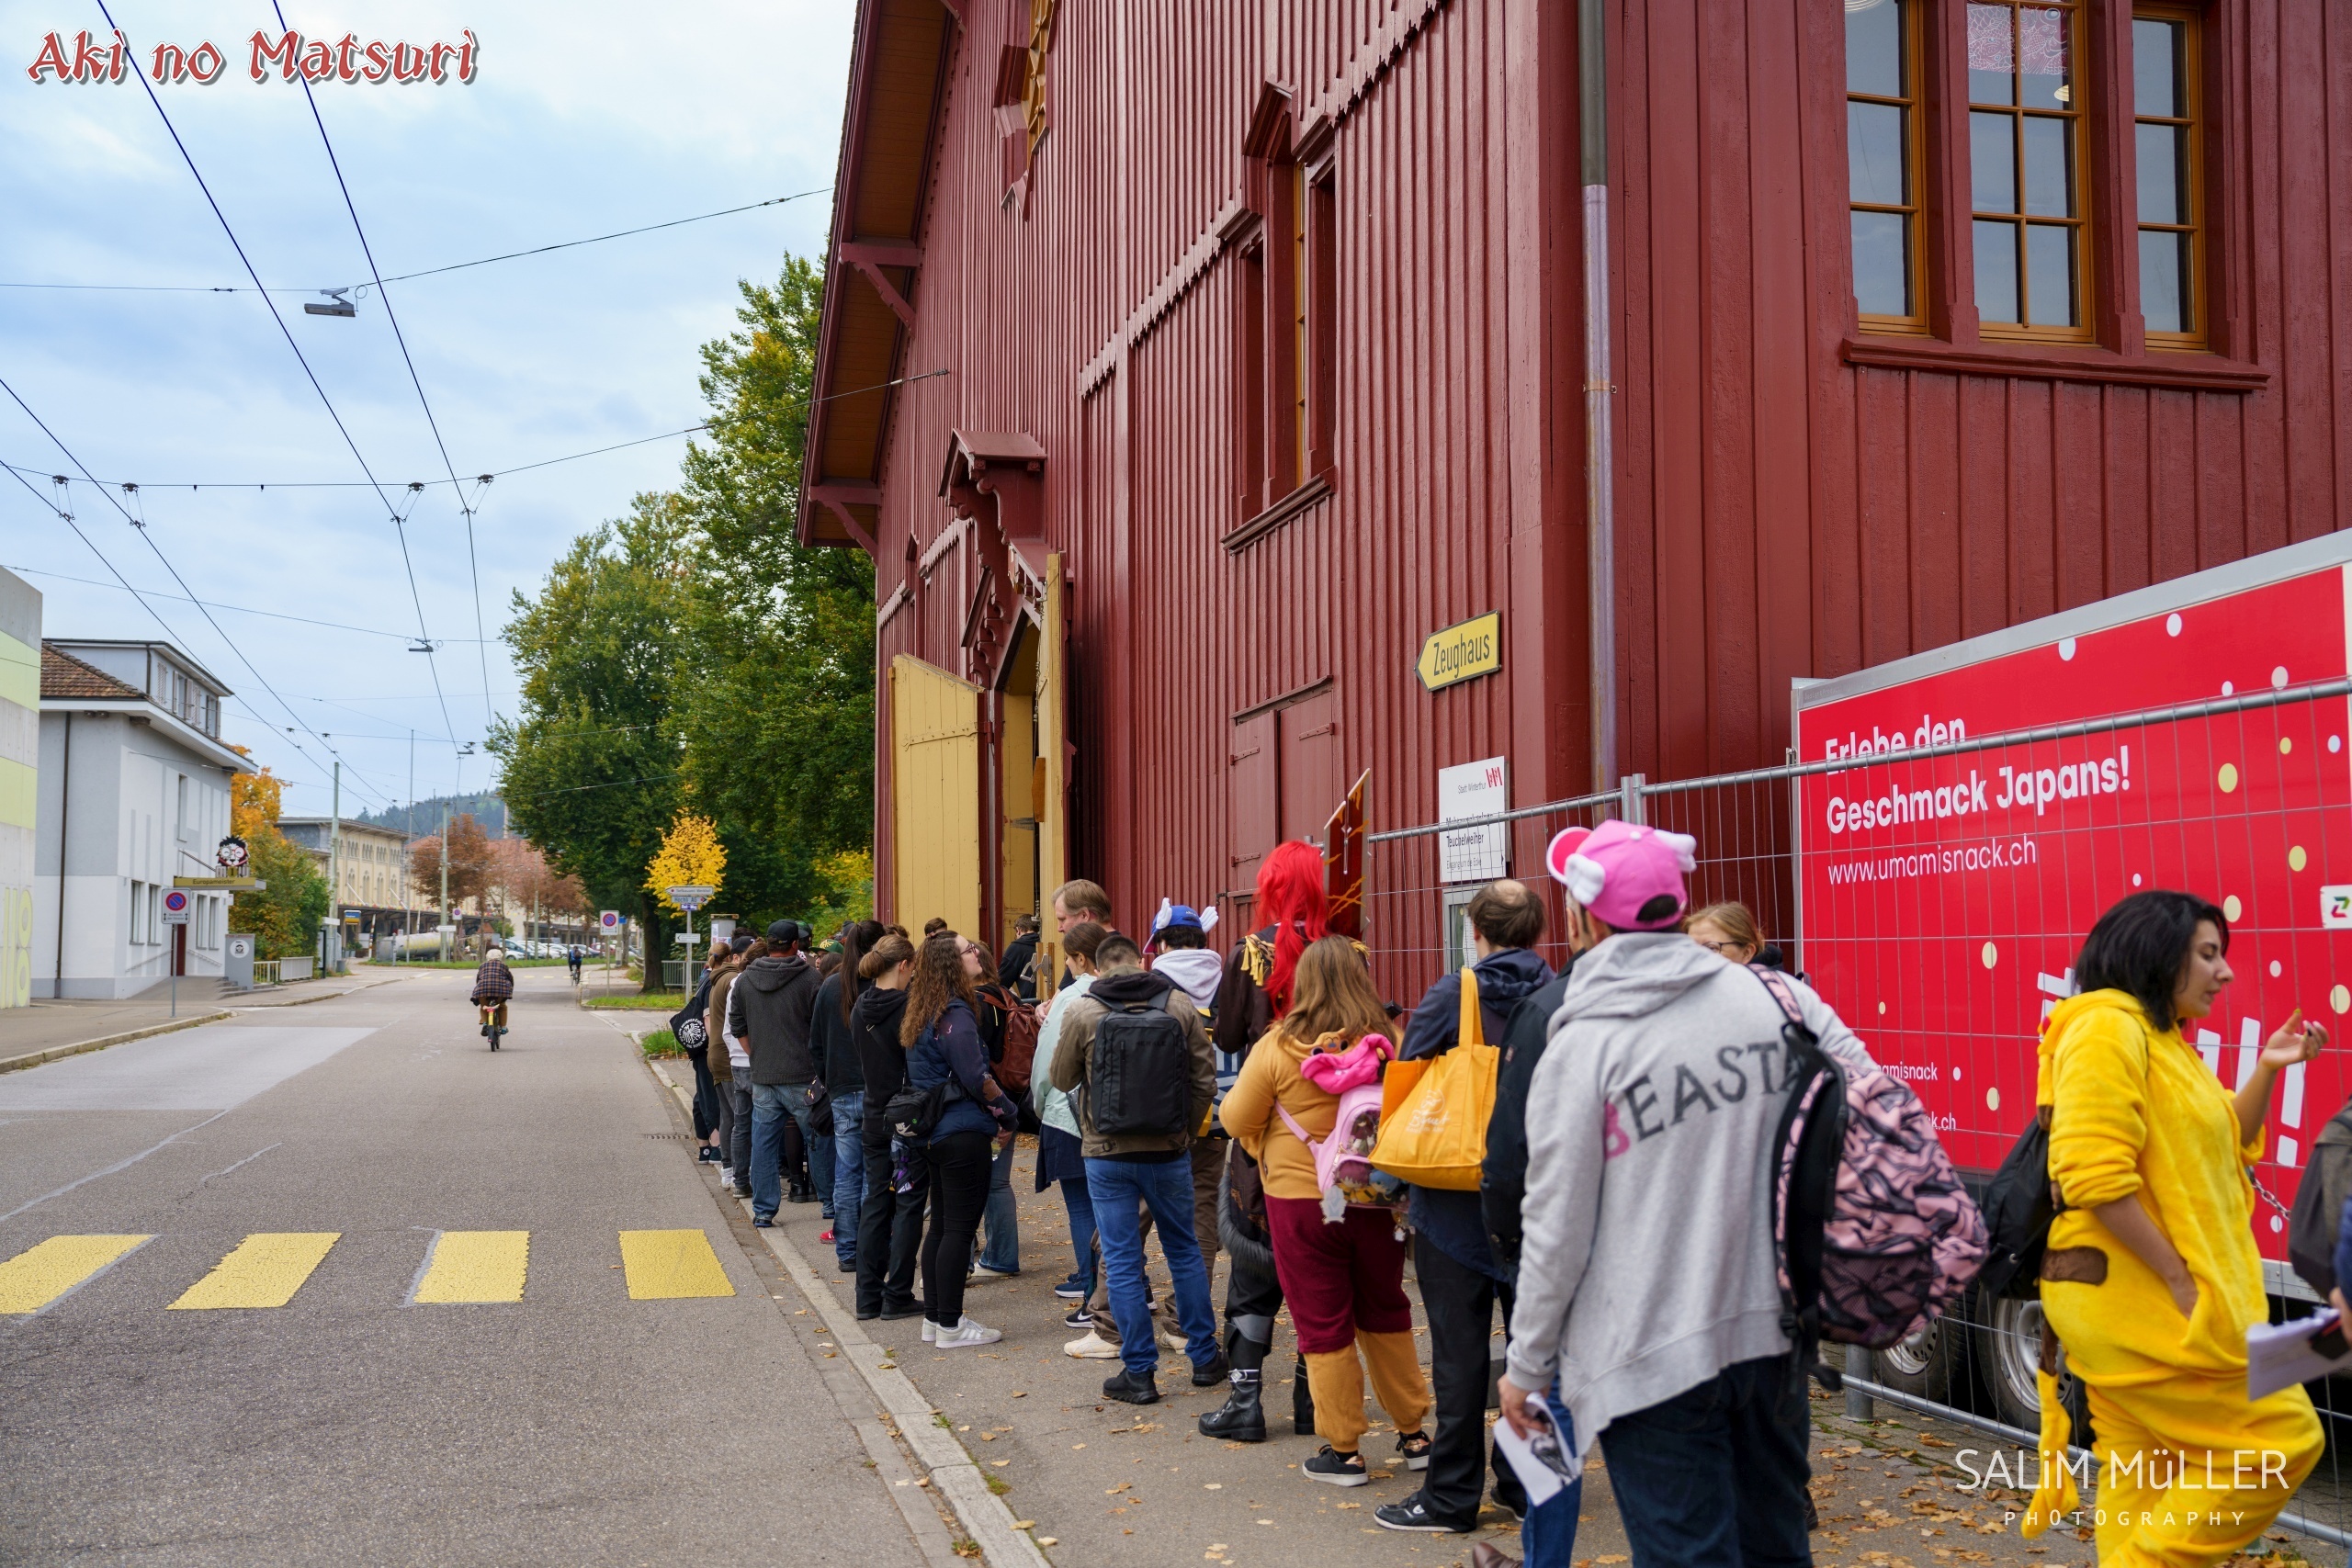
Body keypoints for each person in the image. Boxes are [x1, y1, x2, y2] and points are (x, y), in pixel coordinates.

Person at [1499, 819, 1870, 1565]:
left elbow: (1556, 1226)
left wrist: (1528, 1365)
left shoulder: (1586, 1043)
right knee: (1776, 1548)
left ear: (1586, 918)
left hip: (1650, 1352)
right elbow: (1867, 1092)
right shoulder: (1771, 1001)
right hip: (1771, 1332)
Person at [2030, 890, 2324, 1564]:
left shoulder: (2163, 1039)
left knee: (2141, 1479)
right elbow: (2092, 1176)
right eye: (2208, 953)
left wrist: (2269, 1068)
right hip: (2144, 1312)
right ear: (2156, 954)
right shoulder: (2108, 1027)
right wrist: (2181, 1278)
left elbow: (2231, 1137)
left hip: (2133, 1309)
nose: (2224, 972)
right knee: (2285, 1439)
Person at [1221, 934, 1431, 1483]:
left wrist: (1267, 1141)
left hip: (1300, 1201)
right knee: (1386, 1307)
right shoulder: (1391, 1039)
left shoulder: (1278, 1047)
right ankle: (1415, 1432)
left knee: (1323, 1321)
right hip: (1376, 1198)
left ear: (1301, 982)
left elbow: (1237, 1120)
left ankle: (1345, 1451)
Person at [1379, 880, 1553, 1534]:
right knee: (1534, 1350)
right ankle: (1526, 1483)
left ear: (1475, 928)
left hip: (1453, 1204)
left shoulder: (1456, 993)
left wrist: (1390, 1173)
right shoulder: (1561, 993)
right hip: (1538, 1202)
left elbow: (1405, 1072)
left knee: (1458, 1356)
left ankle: (1451, 1495)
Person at [1049, 932, 1226, 1404]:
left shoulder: (1085, 1010)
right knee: (1185, 1250)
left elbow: (1061, 1078)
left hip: (1107, 1155)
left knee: (1123, 1260)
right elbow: (1204, 1080)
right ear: (1143, 961)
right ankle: (1205, 1358)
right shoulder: (1180, 1006)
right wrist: (1184, 1134)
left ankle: (1140, 1373)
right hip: (1169, 1152)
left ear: (1102, 969)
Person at [1200, 840, 1329, 1442]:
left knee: (1255, 1263)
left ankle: (1246, 1402)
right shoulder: (1342, 950)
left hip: (1267, 1120)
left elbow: (1225, 1031)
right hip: (1329, 1126)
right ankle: (1316, 1402)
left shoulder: (1253, 951)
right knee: (1320, 1271)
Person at [902, 931, 1021, 1348]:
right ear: (952, 964)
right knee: (959, 1229)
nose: (977, 953)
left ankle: (936, 1318)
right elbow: (976, 1075)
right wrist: (1008, 1111)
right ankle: (950, 1324)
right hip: (962, 1129)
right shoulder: (955, 1013)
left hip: (935, 1130)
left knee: (943, 1227)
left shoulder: (925, 1009)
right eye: (969, 949)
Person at [727, 919, 824, 1227]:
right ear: (796, 945)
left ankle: (764, 1211)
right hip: (803, 1076)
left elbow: (737, 1026)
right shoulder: (811, 978)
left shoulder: (743, 981)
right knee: (819, 1140)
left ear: (768, 944)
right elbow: (821, 1029)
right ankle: (833, 1205)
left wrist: (758, 1054)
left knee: (764, 1145)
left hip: (764, 1076)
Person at [1034, 920, 1106, 1328]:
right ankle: (1131, 1288)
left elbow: (1047, 1061)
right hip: (1120, 1117)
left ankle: (1093, 1293)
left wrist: (1041, 1104)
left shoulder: (1071, 997)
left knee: (1083, 1208)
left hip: (1071, 1113)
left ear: (1079, 959)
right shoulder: (1131, 990)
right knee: (1117, 1210)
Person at [1149, 901, 1227, 1280]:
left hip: (1161, 1113)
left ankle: (1110, 1315)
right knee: (1203, 1206)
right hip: (1217, 1108)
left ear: (1161, 942)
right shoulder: (1228, 980)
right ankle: (1185, 1322)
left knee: (1133, 1207)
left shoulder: (1152, 986)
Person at [852, 933, 925, 1321]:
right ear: (904, 966)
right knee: (910, 1203)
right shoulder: (908, 1009)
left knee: (876, 1203)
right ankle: (897, 1292)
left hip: (872, 1115)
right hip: (904, 1121)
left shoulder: (860, 1008)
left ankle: (867, 1296)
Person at [812, 919, 888, 1271]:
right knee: (875, 1175)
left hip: (842, 1090)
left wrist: (830, 1080)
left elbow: (815, 1044)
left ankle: (847, 1250)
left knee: (847, 1171)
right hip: (878, 1090)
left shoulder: (830, 986)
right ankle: (871, 1249)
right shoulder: (883, 984)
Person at [964, 935, 1023, 1281]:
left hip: (989, 1099)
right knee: (998, 1181)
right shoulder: (1006, 995)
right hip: (1011, 1092)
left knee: (987, 1183)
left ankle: (1000, 1257)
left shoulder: (975, 1003)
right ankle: (1002, 1254)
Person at [708, 937, 754, 1195]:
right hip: (730, 1056)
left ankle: (729, 1170)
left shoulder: (717, 978)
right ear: (732, 957)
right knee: (739, 1119)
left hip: (718, 1053)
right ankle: (737, 1173)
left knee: (729, 1116)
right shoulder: (731, 980)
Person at [1683, 901, 1761, 965]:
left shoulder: (1766, 983)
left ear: (1746, 953)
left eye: (1711, 948)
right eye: (1691, 948)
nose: (1695, 957)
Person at [470, 943, 514, 1037]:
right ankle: (503, 1028)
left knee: (483, 1006)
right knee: (502, 1007)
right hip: (501, 991)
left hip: (483, 991)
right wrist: (510, 990)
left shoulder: (482, 966)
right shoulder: (503, 966)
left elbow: (478, 979)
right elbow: (510, 978)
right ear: (500, 957)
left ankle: (485, 1023)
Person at [1001, 912, 1042, 1003]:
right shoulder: (1046, 943)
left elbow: (1002, 982)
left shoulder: (1015, 948)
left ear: (1018, 930)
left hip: (1030, 1005)